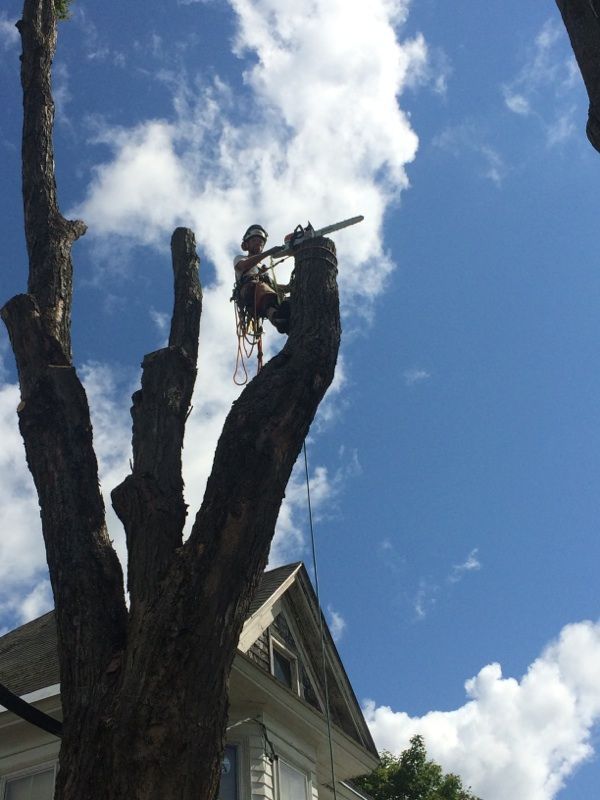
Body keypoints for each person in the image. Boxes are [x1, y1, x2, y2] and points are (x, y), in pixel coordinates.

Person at [233, 225, 290, 333]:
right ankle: (276, 317)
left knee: (279, 296)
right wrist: (268, 252)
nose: (258, 243)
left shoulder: (262, 269)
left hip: (263, 291)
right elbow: (244, 266)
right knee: (261, 288)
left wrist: (290, 287)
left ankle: (286, 315)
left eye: (261, 241)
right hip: (250, 291)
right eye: (254, 240)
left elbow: (275, 287)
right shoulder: (241, 258)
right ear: (246, 245)